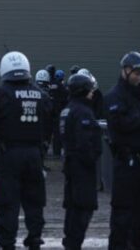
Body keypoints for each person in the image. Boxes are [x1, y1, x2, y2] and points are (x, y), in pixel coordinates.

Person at [0, 51, 51, 250]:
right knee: (35, 200)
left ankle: (7, 242)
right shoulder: (41, 95)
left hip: (10, 154)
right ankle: (35, 239)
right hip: (35, 155)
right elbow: (49, 124)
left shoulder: (0, 95)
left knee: (8, 201)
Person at [105, 51, 140, 250]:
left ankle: (136, 245)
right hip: (127, 164)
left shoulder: (138, 97)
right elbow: (121, 125)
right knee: (122, 214)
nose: (138, 77)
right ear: (125, 70)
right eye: (135, 73)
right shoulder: (115, 97)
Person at [60, 73, 102, 250]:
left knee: (72, 207)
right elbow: (85, 143)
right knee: (82, 208)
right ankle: (73, 244)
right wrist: (92, 158)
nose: (93, 93)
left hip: (71, 166)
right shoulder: (83, 112)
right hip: (82, 169)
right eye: (90, 90)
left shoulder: (68, 109)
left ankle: (70, 241)